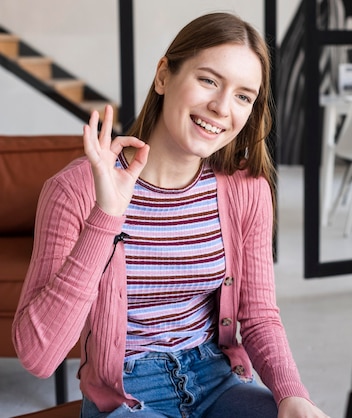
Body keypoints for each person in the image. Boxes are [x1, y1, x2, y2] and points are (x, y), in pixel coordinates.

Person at [13, 12, 329, 418]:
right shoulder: (75, 190)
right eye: (208, 80)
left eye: (243, 96)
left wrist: (291, 394)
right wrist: (106, 216)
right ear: (164, 76)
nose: (220, 107)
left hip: (217, 378)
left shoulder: (246, 189)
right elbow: (39, 358)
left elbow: (258, 314)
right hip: (126, 394)